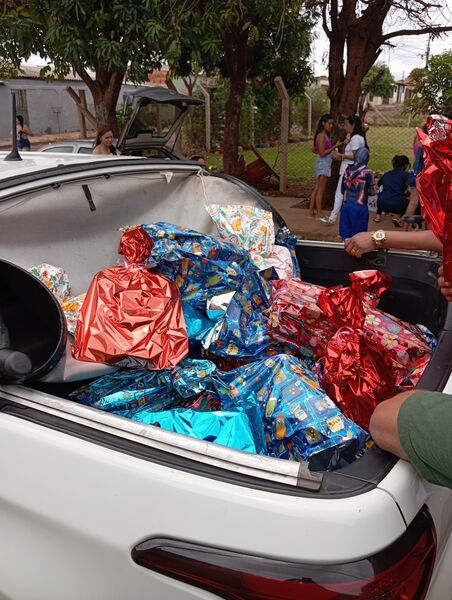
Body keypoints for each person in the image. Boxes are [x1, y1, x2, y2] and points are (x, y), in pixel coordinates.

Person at [320, 115, 368, 225]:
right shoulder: (357, 137)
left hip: (348, 170)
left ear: (353, 125)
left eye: (347, 125)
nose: (345, 127)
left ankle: (333, 217)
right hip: (351, 170)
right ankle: (337, 217)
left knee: (339, 194)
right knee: (345, 195)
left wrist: (341, 155)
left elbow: (356, 156)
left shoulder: (356, 138)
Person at [339, 147, 377, 241]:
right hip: (359, 207)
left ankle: (346, 248)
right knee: (358, 236)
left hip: (346, 205)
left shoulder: (347, 170)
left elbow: (342, 189)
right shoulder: (368, 172)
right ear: (367, 159)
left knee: (345, 234)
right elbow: (372, 192)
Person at [309, 114, 340, 219]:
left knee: (317, 188)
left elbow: (315, 150)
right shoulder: (322, 135)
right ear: (323, 123)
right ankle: (318, 212)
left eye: (332, 124)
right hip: (323, 165)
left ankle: (311, 212)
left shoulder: (322, 135)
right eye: (329, 123)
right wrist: (335, 146)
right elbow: (322, 153)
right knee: (320, 190)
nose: (331, 126)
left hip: (322, 163)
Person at [374, 155, 410, 227]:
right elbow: (409, 190)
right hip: (398, 206)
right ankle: (400, 219)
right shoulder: (407, 175)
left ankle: (378, 216)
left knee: (383, 194)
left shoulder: (387, 174)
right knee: (411, 200)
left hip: (382, 203)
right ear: (406, 165)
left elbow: (379, 184)